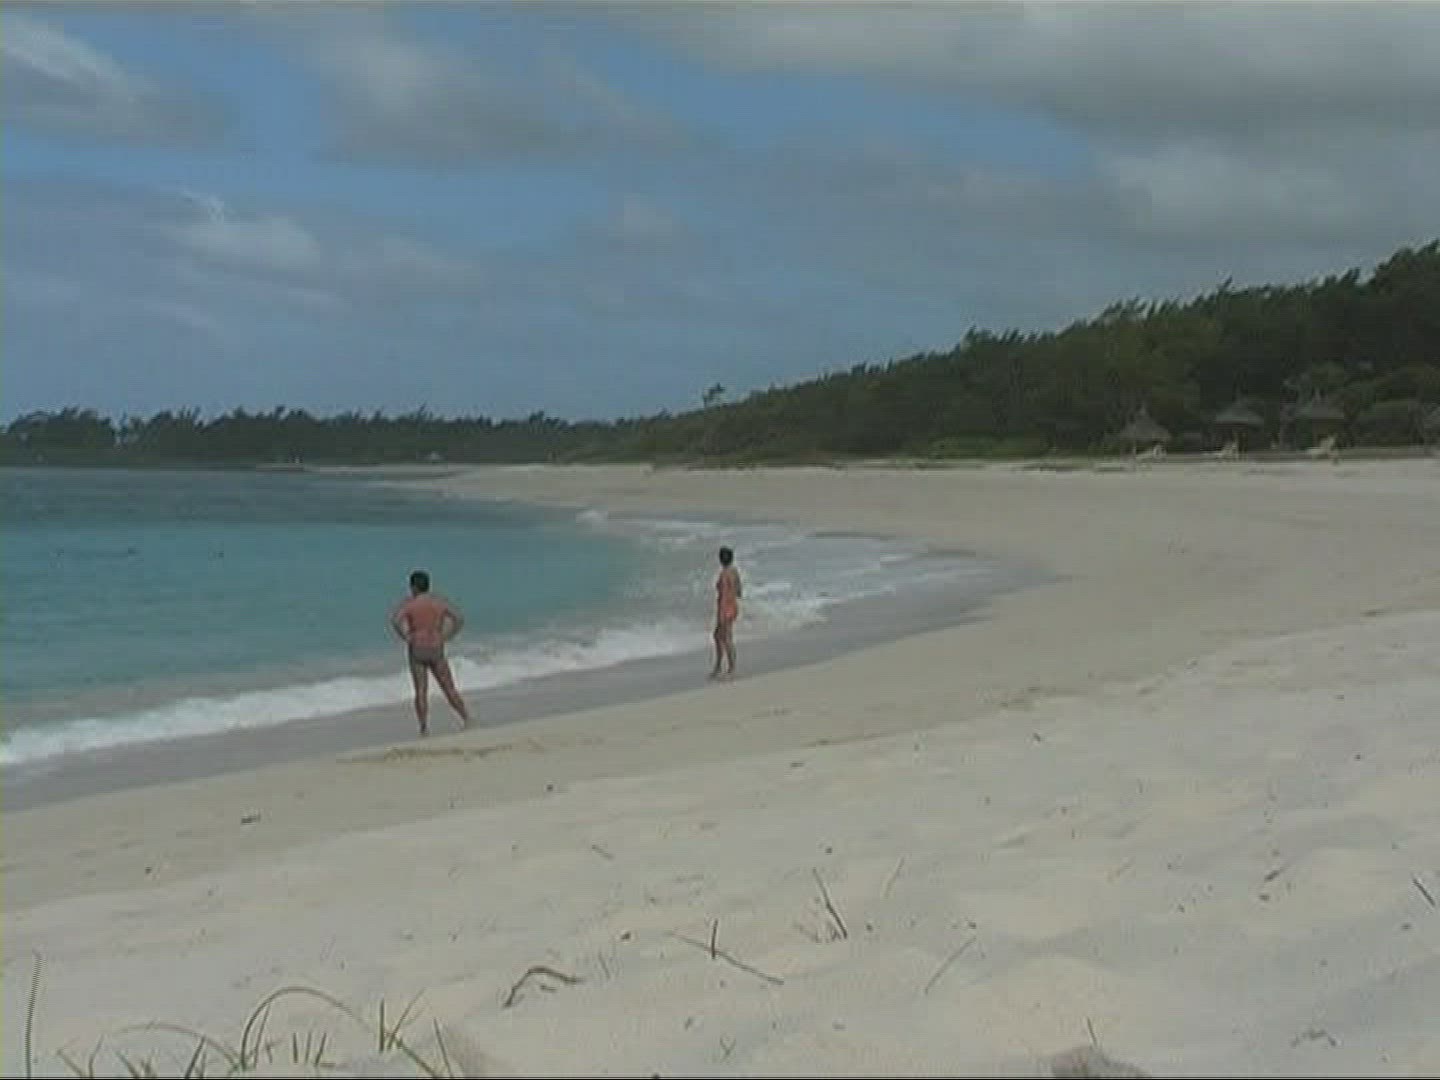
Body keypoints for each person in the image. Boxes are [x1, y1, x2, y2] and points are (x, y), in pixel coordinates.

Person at [390, 569, 471, 736]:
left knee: (421, 691)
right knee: (448, 687)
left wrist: (406, 636)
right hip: (436, 646)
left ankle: (424, 727)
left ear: (413, 587)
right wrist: (447, 636)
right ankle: (466, 718)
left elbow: (396, 621)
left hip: (417, 648)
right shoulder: (438, 602)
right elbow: (458, 618)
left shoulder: (410, 604)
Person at [710, 545, 742, 680]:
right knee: (720, 636)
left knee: (724, 638)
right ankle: (720, 667)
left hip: (725, 608)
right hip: (733, 606)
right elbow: (739, 592)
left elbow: (723, 595)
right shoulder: (734, 572)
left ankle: (729, 669)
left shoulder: (724, 574)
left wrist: (721, 614)